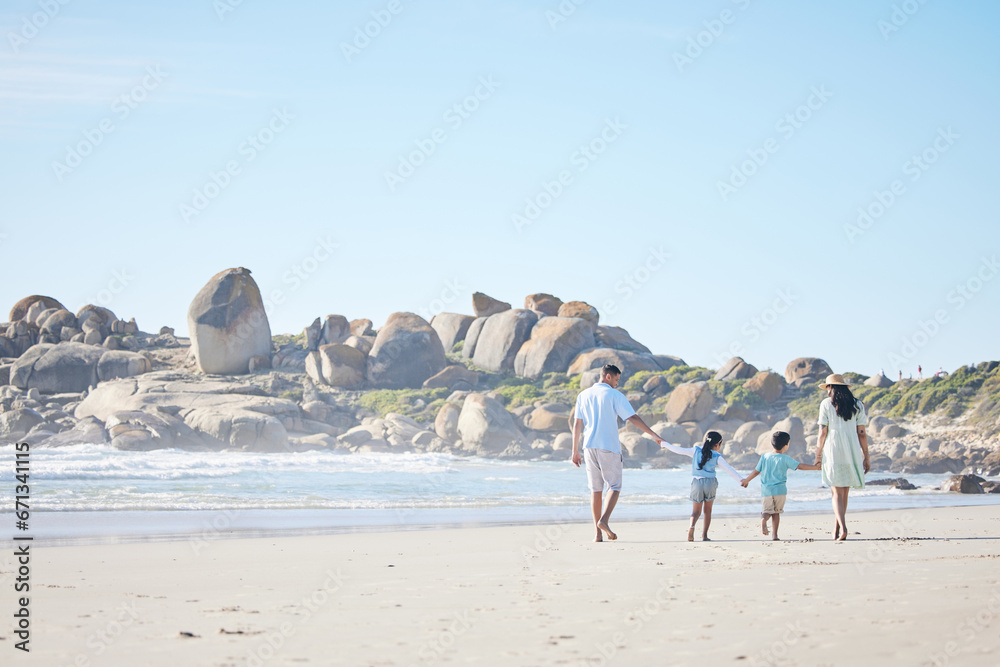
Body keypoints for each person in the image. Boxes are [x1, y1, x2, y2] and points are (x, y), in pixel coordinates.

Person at [571, 364, 664, 542]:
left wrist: (574, 450)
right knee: (614, 486)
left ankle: (597, 535)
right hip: (608, 446)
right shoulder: (614, 395)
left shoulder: (583, 395)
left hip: (589, 446)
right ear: (608, 377)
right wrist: (654, 435)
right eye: (616, 379)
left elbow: (577, 424)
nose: (617, 383)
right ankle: (604, 520)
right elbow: (632, 417)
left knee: (595, 490)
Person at [813, 374, 870, 541]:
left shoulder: (826, 404)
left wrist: (818, 454)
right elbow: (862, 433)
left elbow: (823, 432)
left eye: (828, 388)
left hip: (833, 449)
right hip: (851, 449)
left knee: (836, 492)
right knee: (844, 492)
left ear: (831, 388)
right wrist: (866, 456)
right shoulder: (858, 405)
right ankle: (836, 527)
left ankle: (843, 528)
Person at [660, 431, 742, 542]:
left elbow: (679, 450)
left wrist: (665, 444)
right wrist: (741, 481)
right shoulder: (717, 456)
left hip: (697, 483)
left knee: (695, 512)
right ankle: (704, 535)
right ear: (717, 445)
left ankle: (692, 526)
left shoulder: (695, 451)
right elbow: (729, 469)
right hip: (710, 483)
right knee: (707, 511)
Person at [740, 431, 820, 540]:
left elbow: (756, 471)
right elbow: (800, 466)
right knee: (776, 513)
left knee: (766, 511)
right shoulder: (785, 459)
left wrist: (746, 480)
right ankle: (775, 535)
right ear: (786, 446)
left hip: (766, 491)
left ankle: (763, 521)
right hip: (780, 491)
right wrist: (815, 467)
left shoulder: (765, 457)